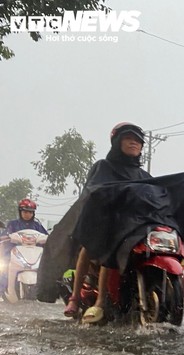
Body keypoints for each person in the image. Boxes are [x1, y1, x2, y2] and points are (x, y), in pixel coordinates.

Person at [62, 122, 152, 322]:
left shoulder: (143, 176)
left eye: (138, 141)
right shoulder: (103, 166)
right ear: (117, 141)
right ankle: (82, 299)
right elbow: (92, 191)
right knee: (94, 245)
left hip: (133, 228)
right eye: (129, 139)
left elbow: (154, 198)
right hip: (104, 223)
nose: (134, 143)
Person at [0, 199, 49, 297]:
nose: (28, 214)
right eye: (25, 211)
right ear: (20, 212)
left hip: (33, 255)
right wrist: (7, 237)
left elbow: (46, 236)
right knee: (4, 269)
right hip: (14, 254)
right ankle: (2, 291)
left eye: (30, 212)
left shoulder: (37, 225)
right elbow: (5, 235)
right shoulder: (13, 224)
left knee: (47, 269)